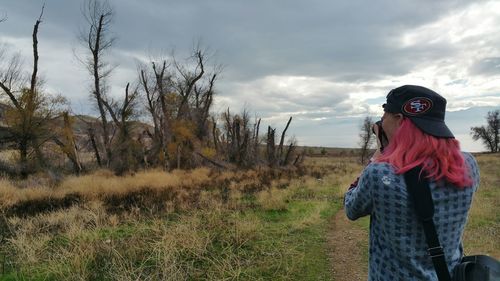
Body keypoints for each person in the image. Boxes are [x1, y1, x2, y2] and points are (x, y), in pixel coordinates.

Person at [344, 85, 480, 281]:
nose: (382, 121)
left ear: (399, 120)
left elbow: (351, 208)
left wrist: (379, 154)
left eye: (385, 114)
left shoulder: (380, 173)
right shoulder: (468, 164)